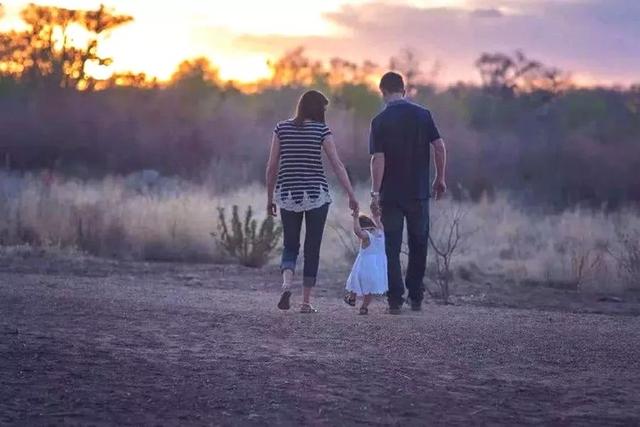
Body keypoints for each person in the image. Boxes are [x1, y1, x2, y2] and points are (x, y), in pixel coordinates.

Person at [266, 90, 359, 313]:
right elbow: (336, 164)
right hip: (316, 195)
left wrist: (270, 197)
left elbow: (271, 166)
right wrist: (351, 194)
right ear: (317, 109)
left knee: (290, 245)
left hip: (288, 194)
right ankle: (306, 302)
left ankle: (287, 285)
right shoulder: (321, 130)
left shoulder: (282, 128)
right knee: (312, 247)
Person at [369, 72, 448, 314]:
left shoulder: (379, 121)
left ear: (383, 92)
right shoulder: (423, 115)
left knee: (391, 247)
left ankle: (395, 300)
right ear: (404, 90)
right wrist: (440, 178)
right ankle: (416, 296)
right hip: (418, 192)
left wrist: (374, 193)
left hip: (391, 195)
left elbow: (377, 159)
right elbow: (439, 147)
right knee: (418, 243)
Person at [344, 210, 388, 315]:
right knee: (369, 289)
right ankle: (364, 307)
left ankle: (352, 298)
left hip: (365, 265)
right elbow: (378, 221)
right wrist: (376, 216)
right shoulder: (381, 232)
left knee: (355, 281)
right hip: (378, 267)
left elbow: (357, 232)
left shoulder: (366, 236)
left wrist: (355, 218)